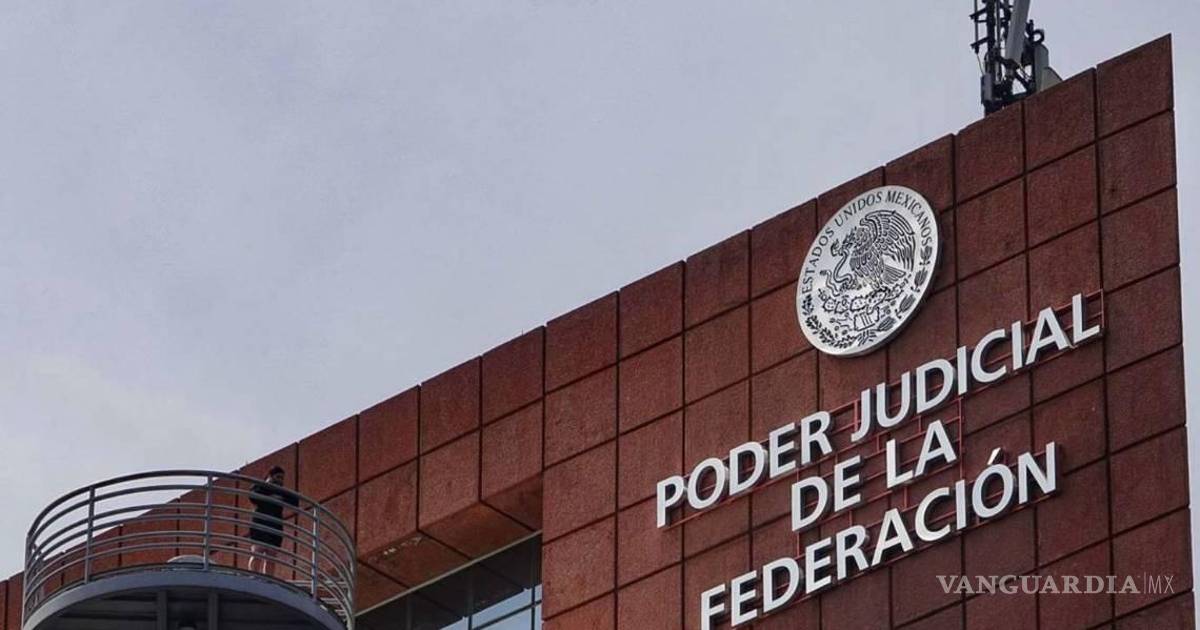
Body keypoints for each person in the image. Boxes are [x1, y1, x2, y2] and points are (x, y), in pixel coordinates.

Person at [247, 466, 299, 577]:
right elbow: (252, 496)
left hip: (275, 527)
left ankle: (268, 579)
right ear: (270, 476)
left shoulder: (281, 492)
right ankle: (253, 576)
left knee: (271, 557)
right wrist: (269, 488)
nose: (280, 480)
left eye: (282, 478)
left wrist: (278, 494)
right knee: (257, 552)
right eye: (278, 477)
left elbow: (295, 501)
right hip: (260, 525)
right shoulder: (261, 487)